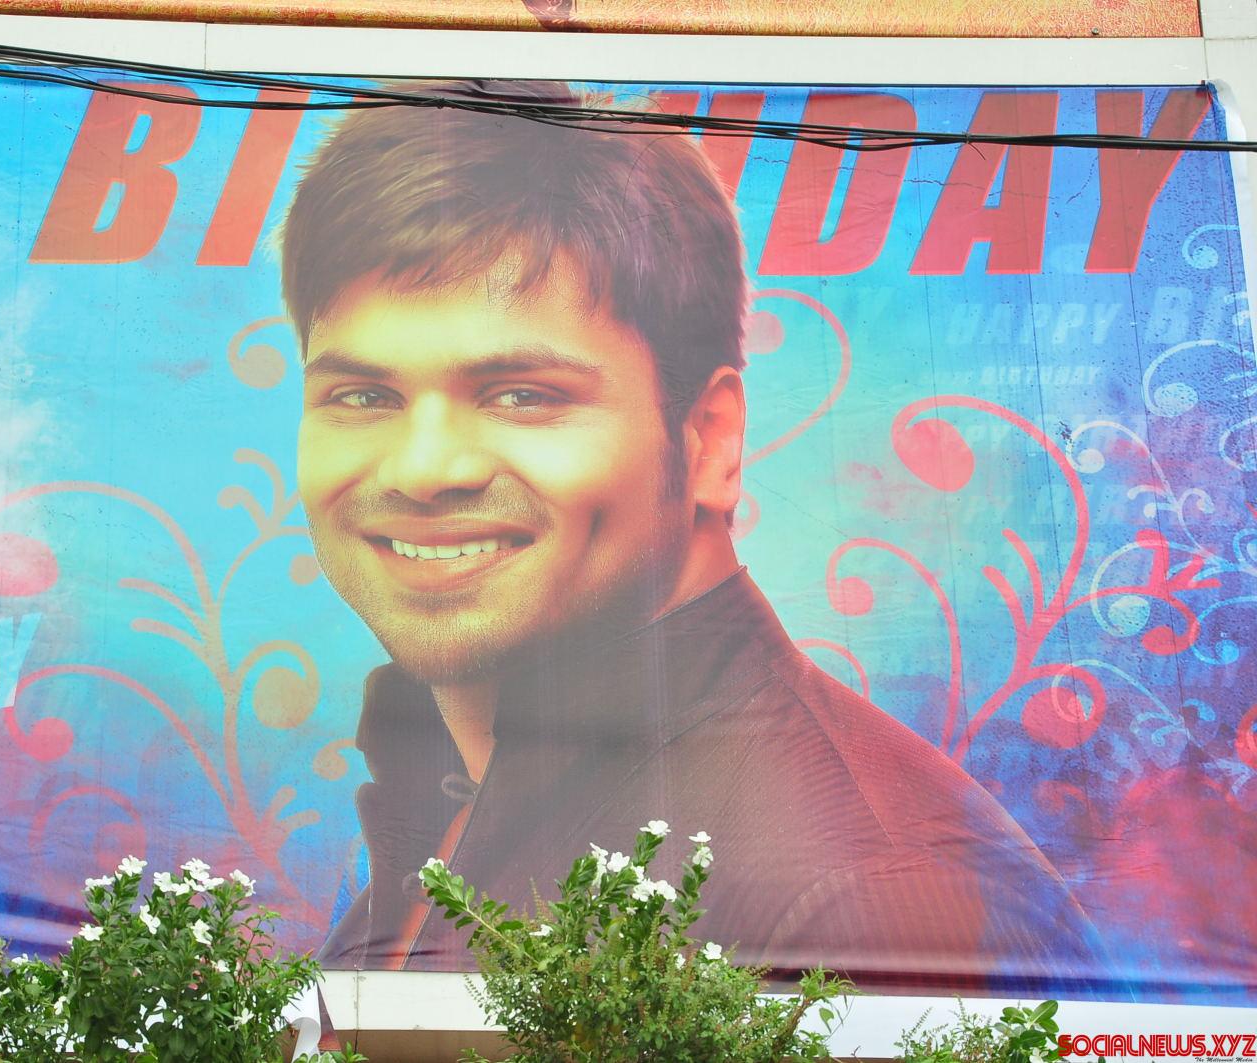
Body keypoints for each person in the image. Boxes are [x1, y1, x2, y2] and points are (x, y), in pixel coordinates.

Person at [281, 80, 1098, 991]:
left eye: (521, 394)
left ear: (709, 440)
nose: (423, 469)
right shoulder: (458, 781)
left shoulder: (872, 900)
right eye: (364, 395)